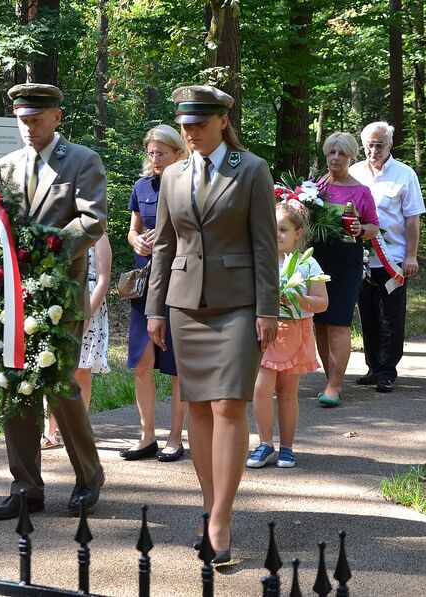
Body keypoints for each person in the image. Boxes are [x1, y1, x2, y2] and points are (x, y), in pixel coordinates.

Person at [145, 85, 278, 563]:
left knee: (228, 405)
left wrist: (268, 309)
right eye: (184, 125)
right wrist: (154, 309)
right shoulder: (175, 174)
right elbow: (163, 246)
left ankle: (221, 517)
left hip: (239, 305)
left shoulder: (251, 170)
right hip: (184, 306)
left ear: (223, 120)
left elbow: (265, 245)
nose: (190, 132)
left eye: (199, 124)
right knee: (198, 406)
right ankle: (208, 504)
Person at [0, 83, 106, 520]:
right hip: (11, 296)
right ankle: (26, 486)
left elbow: (92, 221)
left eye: (36, 120)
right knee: (15, 385)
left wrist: (45, 249)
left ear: (56, 117)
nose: (28, 128)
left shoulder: (81, 160)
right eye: (22, 120)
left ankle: (89, 477)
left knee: (59, 387)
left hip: (60, 293)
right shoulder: (6, 165)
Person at [123, 125, 189, 462]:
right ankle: (146, 435)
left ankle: (175, 439)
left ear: (179, 152)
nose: (155, 159)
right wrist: (137, 241)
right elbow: (132, 230)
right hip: (144, 286)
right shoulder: (141, 186)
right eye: (151, 153)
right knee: (141, 363)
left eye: (161, 153)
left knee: (178, 367)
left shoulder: (190, 185)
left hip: (179, 283)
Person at [247, 200, 328, 468]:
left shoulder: (307, 264)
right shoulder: (260, 260)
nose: (276, 235)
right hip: (266, 333)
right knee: (261, 388)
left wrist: (298, 297)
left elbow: (322, 302)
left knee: (287, 393)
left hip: (295, 331)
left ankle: (287, 447)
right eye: (272, 229)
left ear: (298, 234)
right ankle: (265, 442)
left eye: (283, 229)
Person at [348, 122, 425, 393]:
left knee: (391, 317)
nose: (373, 150)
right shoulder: (353, 173)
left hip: (392, 260)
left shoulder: (405, 174)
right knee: (367, 314)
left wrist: (411, 256)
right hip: (361, 259)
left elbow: (412, 219)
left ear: (390, 146)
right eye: (369, 144)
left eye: (379, 145)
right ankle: (372, 367)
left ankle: (387, 371)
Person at [311, 132, 379, 407]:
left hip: (346, 258)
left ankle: (335, 385)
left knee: (338, 322)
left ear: (351, 157)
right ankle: (331, 379)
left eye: (341, 153)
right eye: (331, 153)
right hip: (316, 258)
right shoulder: (315, 186)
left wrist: (360, 228)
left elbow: (373, 226)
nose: (335, 158)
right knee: (320, 321)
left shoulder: (360, 191)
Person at [42, 234, 112, 449]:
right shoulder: (59, 230)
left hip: (89, 301)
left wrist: (87, 312)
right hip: (59, 302)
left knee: (82, 368)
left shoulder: (98, 235)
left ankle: (77, 432)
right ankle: (49, 432)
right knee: (53, 366)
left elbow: (103, 279)